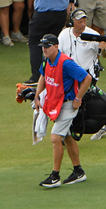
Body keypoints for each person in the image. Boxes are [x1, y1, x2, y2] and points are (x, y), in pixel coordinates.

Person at [33, 33, 93, 188]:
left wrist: (78, 98)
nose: (44, 50)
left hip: (67, 105)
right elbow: (42, 77)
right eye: (43, 47)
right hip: (56, 104)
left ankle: (55, 176)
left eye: (47, 47)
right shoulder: (47, 61)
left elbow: (87, 78)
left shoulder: (66, 63)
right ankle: (78, 172)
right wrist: (37, 97)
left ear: (55, 47)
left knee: (55, 138)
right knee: (66, 137)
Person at [58, 9, 106, 81]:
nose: (83, 24)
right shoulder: (64, 33)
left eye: (84, 21)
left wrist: (104, 50)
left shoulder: (93, 34)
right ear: (72, 22)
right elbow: (57, 53)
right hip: (68, 74)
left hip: (87, 75)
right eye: (80, 22)